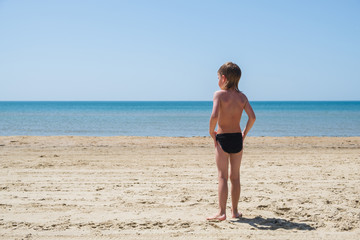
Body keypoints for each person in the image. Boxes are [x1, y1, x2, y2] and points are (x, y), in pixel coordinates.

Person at [207, 62, 256, 221]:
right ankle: (234, 211)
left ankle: (222, 212)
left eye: (218, 77)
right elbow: (252, 117)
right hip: (237, 138)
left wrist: (211, 132)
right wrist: (244, 133)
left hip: (223, 138)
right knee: (235, 177)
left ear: (223, 77)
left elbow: (214, 116)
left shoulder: (219, 94)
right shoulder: (242, 97)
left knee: (222, 177)